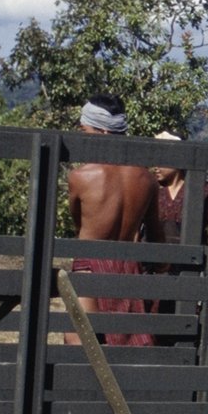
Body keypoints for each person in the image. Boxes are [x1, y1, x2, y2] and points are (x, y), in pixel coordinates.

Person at [65, 95, 158, 347]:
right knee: (127, 347)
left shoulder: (81, 176)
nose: (82, 136)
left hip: (89, 263)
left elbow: (78, 223)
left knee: (79, 345)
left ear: (101, 130)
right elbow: (155, 231)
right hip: (129, 265)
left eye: (85, 130)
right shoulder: (146, 178)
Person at [149, 131, 208, 251]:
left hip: (190, 262)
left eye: (162, 160)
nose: (156, 166)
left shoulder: (200, 190)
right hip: (155, 261)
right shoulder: (151, 188)